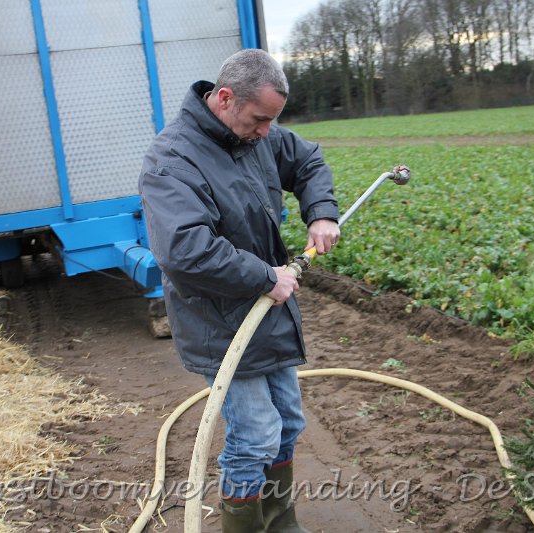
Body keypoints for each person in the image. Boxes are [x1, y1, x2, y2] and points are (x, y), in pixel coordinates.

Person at [139, 48, 340, 532]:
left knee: (288, 425)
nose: (267, 132)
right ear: (225, 98)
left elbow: (307, 159)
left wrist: (322, 211)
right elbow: (186, 250)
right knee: (255, 435)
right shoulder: (172, 160)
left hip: (267, 315)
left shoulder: (255, 138)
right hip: (219, 322)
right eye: (259, 119)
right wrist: (266, 277)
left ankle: (280, 519)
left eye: (273, 120)